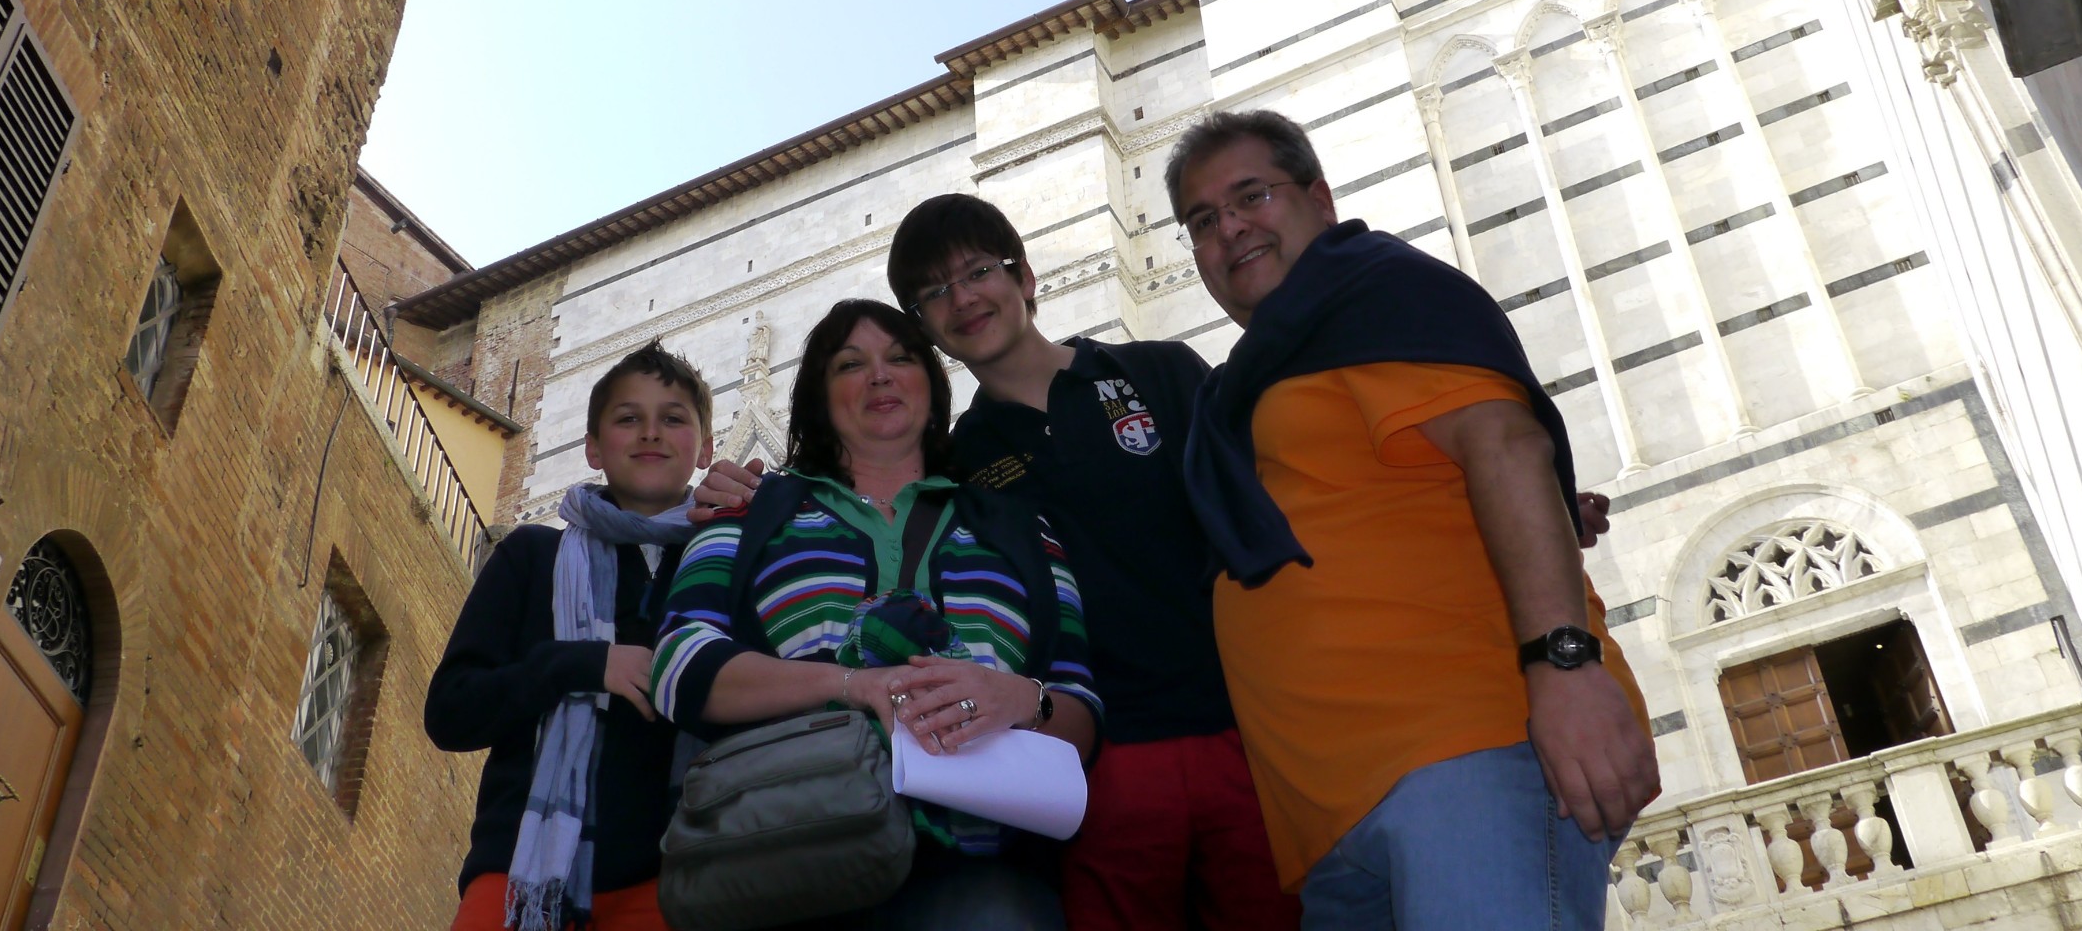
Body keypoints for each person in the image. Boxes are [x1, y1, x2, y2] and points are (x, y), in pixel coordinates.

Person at [697, 194, 1616, 931]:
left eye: (979, 271)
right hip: (1095, 757)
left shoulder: (1160, 373)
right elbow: (870, 502)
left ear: (1024, 277)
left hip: (1248, 734)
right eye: (936, 291)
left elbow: (1288, 482)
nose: (964, 297)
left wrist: (1480, 499)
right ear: (928, 329)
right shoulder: (960, 460)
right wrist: (741, 493)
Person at [1168, 109, 1657, 931]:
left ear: (1320, 198)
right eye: (1203, 220)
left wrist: (1566, 669)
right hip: (1336, 820)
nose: (1230, 228)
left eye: (1251, 196)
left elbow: (1506, 447)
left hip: (1467, 756)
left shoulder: (1376, 289)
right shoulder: (1252, 380)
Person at [649, 298, 1102, 930]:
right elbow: (679, 665)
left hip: (982, 870)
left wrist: (1023, 699)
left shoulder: (1023, 528)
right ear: (819, 398)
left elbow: (1080, 705)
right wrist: (852, 685)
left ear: (933, 388)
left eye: (901, 358)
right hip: (787, 854)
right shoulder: (747, 510)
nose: (880, 376)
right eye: (850, 364)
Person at [425, 341, 712, 931]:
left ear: (705, 448)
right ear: (592, 447)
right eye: (628, 418)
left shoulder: (722, 564)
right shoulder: (532, 556)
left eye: (673, 418)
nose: (650, 433)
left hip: (677, 881)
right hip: (520, 878)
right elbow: (451, 712)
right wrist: (584, 665)